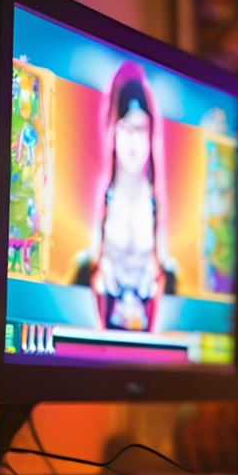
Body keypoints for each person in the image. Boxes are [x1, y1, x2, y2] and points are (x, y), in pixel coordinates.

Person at [88, 60, 171, 332]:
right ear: (113, 131)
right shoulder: (102, 198)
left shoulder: (156, 205)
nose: (134, 140)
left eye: (141, 129)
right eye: (126, 128)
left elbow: (163, 274)